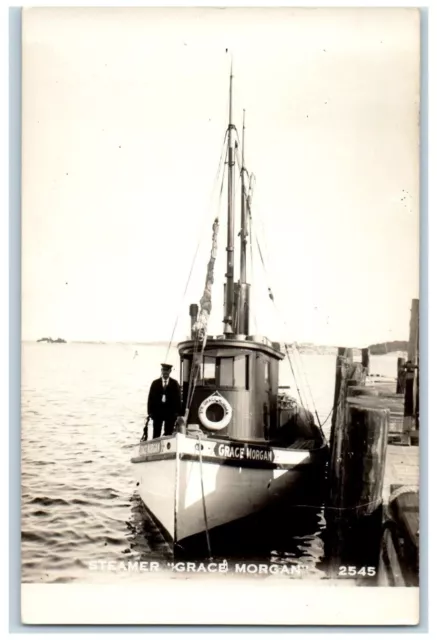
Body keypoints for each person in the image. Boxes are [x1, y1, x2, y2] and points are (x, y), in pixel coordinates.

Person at [147, 363, 182, 439]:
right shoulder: (155, 383)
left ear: (170, 371)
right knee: (156, 433)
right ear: (161, 371)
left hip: (170, 413)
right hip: (157, 413)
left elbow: (178, 399)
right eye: (164, 370)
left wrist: (177, 413)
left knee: (168, 433)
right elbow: (150, 399)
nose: (165, 372)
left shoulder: (174, 383)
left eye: (167, 370)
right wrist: (150, 412)